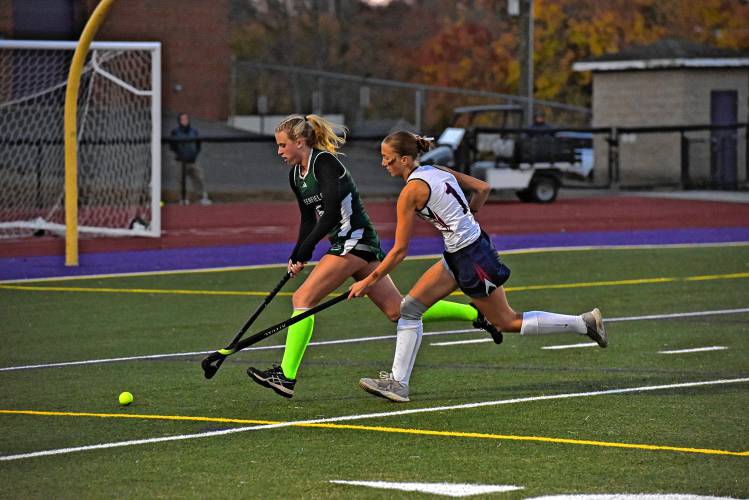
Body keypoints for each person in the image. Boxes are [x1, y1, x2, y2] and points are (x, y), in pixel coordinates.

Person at [247, 114, 502, 399]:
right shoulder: (297, 175)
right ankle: (478, 314)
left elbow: (331, 212)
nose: (279, 152)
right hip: (350, 243)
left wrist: (307, 248)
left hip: (354, 240)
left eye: (283, 145)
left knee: (302, 299)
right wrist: (298, 253)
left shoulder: (326, 164)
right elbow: (309, 218)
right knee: (397, 310)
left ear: (300, 142)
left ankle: (286, 376)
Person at [349, 131, 607, 403]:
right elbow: (483, 188)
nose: (383, 164)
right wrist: (467, 217)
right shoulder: (435, 169)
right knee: (409, 310)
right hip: (460, 252)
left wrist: (368, 282)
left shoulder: (411, 191)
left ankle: (584, 324)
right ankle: (398, 384)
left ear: (403, 159)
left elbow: (400, 251)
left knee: (506, 321)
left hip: (472, 257)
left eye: (387, 159)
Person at [170, 112, 211, 205]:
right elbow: (172, 146)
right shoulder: (175, 132)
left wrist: (194, 154)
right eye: (183, 119)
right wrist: (179, 154)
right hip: (181, 161)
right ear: (179, 121)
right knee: (180, 180)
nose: (185, 121)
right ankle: (183, 198)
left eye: (186, 119)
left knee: (199, 177)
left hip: (193, 160)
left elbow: (198, 144)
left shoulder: (194, 131)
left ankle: (202, 197)